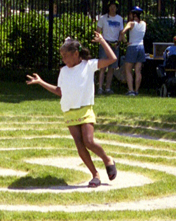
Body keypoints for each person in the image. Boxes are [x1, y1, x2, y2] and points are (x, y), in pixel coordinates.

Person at [25, 33, 118, 188]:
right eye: (62, 56)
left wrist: (102, 41)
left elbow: (112, 59)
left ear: (76, 54)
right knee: (79, 145)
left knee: (88, 141)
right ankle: (95, 175)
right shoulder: (63, 71)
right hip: (68, 110)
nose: (63, 59)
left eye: (66, 56)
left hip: (84, 109)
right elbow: (60, 91)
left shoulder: (88, 65)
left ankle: (107, 159)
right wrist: (41, 82)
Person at [95, 0, 124, 95]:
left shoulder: (119, 19)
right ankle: (100, 88)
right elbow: (98, 31)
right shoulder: (103, 18)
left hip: (115, 44)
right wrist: (102, 41)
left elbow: (121, 32)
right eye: (111, 6)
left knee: (112, 67)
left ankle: (108, 87)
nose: (112, 8)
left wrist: (118, 42)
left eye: (114, 7)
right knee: (103, 66)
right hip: (105, 43)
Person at [120, 6, 146, 96]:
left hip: (132, 47)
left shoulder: (131, 24)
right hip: (141, 47)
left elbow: (122, 32)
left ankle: (131, 90)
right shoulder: (144, 24)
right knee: (138, 70)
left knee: (128, 69)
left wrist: (125, 42)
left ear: (133, 14)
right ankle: (136, 90)